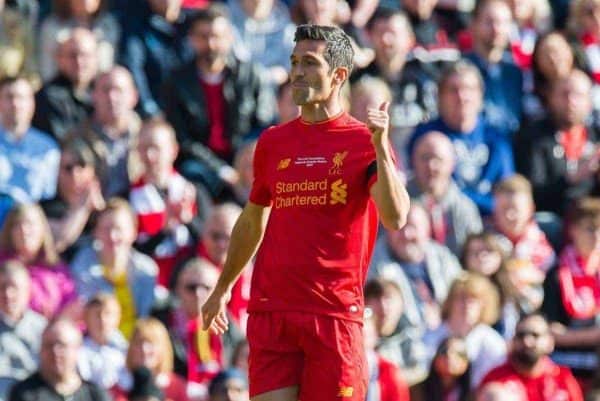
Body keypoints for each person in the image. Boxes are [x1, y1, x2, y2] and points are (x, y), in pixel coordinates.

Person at [201, 24, 409, 401]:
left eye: (309, 63)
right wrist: (223, 286)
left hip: (332, 318)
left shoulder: (363, 142)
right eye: (294, 62)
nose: (297, 72)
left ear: (338, 75)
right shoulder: (272, 143)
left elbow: (396, 217)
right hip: (272, 312)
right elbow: (252, 219)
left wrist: (381, 148)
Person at [163, 4, 276, 197]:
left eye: (217, 36)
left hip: (244, 158)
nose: (211, 44)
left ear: (230, 37)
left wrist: (242, 161)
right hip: (200, 164)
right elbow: (182, 138)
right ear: (192, 39)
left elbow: (264, 123)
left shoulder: (250, 75)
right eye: (203, 37)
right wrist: (220, 170)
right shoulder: (177, 81)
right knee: (192, 176)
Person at [408, 60, 515, 215]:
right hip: (442, 219)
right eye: (453, 90)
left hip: (491, 222)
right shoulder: (426, 137)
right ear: (440, 97)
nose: (462, 96)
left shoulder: (496, 138)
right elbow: (423, 188)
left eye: (469, 89)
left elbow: (507, 191)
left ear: (480, 95)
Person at [70, 198, 158, 338]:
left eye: (118, 229)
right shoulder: (83, 265)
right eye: (106, 229)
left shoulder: (146, 270)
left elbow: (147, 317)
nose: (112, 236)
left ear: (133, 232)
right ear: (96, 232)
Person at [516, 70, 600, 216]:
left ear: (589, 102)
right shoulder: (533, 137)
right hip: (550, 219)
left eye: (578, 95)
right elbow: (534, 193)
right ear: (551, 98)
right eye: (564, 94)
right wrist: (572, 178)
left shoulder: (596, 137)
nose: (571, 101)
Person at [130, 118, 202, 288]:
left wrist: (188, 220)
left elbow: (209, 241)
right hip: (149, 283)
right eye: (144, 148)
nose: (149, 156)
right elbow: (131, 253)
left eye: (155, 148)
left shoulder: (192, 191)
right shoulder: (128, 197)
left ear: (173, 150)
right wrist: (164, 229)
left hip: (190, 284)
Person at [369, 204, 462, 330]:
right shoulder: (372, 267)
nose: (406, 234)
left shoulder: (444, 259)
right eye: (399, 227)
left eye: (413, 227)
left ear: (427, 230)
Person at [542, 197, 600, 384]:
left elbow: (562, 334)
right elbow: (550, 332)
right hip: (562, 369)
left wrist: (569, 336)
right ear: (573, 230)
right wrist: (593, 335)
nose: (597, 237)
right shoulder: (556, 273)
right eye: (590, 229)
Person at [424, 273, 507, 388]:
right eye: (461, 298)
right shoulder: (431, 337)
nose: (467, 305)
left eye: (473, 300)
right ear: (450, 301)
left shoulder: (491, 341)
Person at [408, 130, 483, 255]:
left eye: (438, 159)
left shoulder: (465, 208)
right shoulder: (398, 203)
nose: (431, 166)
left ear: (452, 164)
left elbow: (474, 255)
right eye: (425, 158)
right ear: (413, 161)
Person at [72, 66, 141, 198]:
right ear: (93, 95)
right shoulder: (77, 138)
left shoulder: (146, 137)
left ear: (134, 97)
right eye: (106, 90)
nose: (112, 97)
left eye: (119, 90)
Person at [480, 313, 584, 401]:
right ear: (513, 341)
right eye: (521, 335)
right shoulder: (496, 379)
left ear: (550, 342)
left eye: (535, 335)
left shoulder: (563, 379)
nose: (527, 342)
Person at [0, 203, 78, 319]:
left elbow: (71, 305)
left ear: (42, 230)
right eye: (17, 224)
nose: (24, 230)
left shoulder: (56, 269)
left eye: (30, 225)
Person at [0, 76, 60, 220]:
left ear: (32, 103)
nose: (15, 104)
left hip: (32, 223)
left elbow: (49, 196)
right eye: (9, 97)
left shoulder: (47, 148)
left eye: (22, 98)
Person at [8, 319, 111, 401]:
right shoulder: (24, 393)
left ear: (77, 349)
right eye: (49, 345)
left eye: (62, 345)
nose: (55, 352)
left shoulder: (95, 395)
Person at [465, 0, 523, 136]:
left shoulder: (515, 71)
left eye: (503, 23)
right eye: (489, 22)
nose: (496, 29)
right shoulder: (462, 69)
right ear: (473, 25)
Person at [32, 27, 97, 141]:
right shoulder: (47, 97)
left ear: (96, 58)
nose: (79, 62)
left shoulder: (103, 91)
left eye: (85, 55)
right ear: (59, 58)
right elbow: (64, 140)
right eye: (73, 55)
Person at [364, 278, 429, 386]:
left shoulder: (411, 336)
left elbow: (421, 371)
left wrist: (393, 378)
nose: (383, 306)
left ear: (402, 304)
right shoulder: (358, 339)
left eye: (389, 298)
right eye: (376, 298)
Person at [0, 261, 47, 401]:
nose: (8, 294)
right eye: (2, 287)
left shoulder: (43, 329)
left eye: (14, 287)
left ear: (27, 290)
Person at [111, 318, 188, 401]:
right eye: (138, 342)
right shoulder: (119, 386)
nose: (144, 349)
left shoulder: (176, 386)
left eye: (151, 343)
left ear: (163, 348)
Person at [77, 293, 128, 390]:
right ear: (86, 317)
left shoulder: (126, 350)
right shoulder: (77, 350)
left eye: (108, 314)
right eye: (97, 314)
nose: (102, 320)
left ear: (118, 318)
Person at [363, 307, 410, 401]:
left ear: (375, 336)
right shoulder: (343, 370)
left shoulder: (389, 371)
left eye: (365, 335)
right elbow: (343, 393)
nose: (360, 341)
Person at [417, 336, 472, 401]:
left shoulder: (473, 396)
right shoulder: (416, 392)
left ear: (466, 363)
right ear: (435, 359)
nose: (449, 356)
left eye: (458, 353)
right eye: (443, 351)